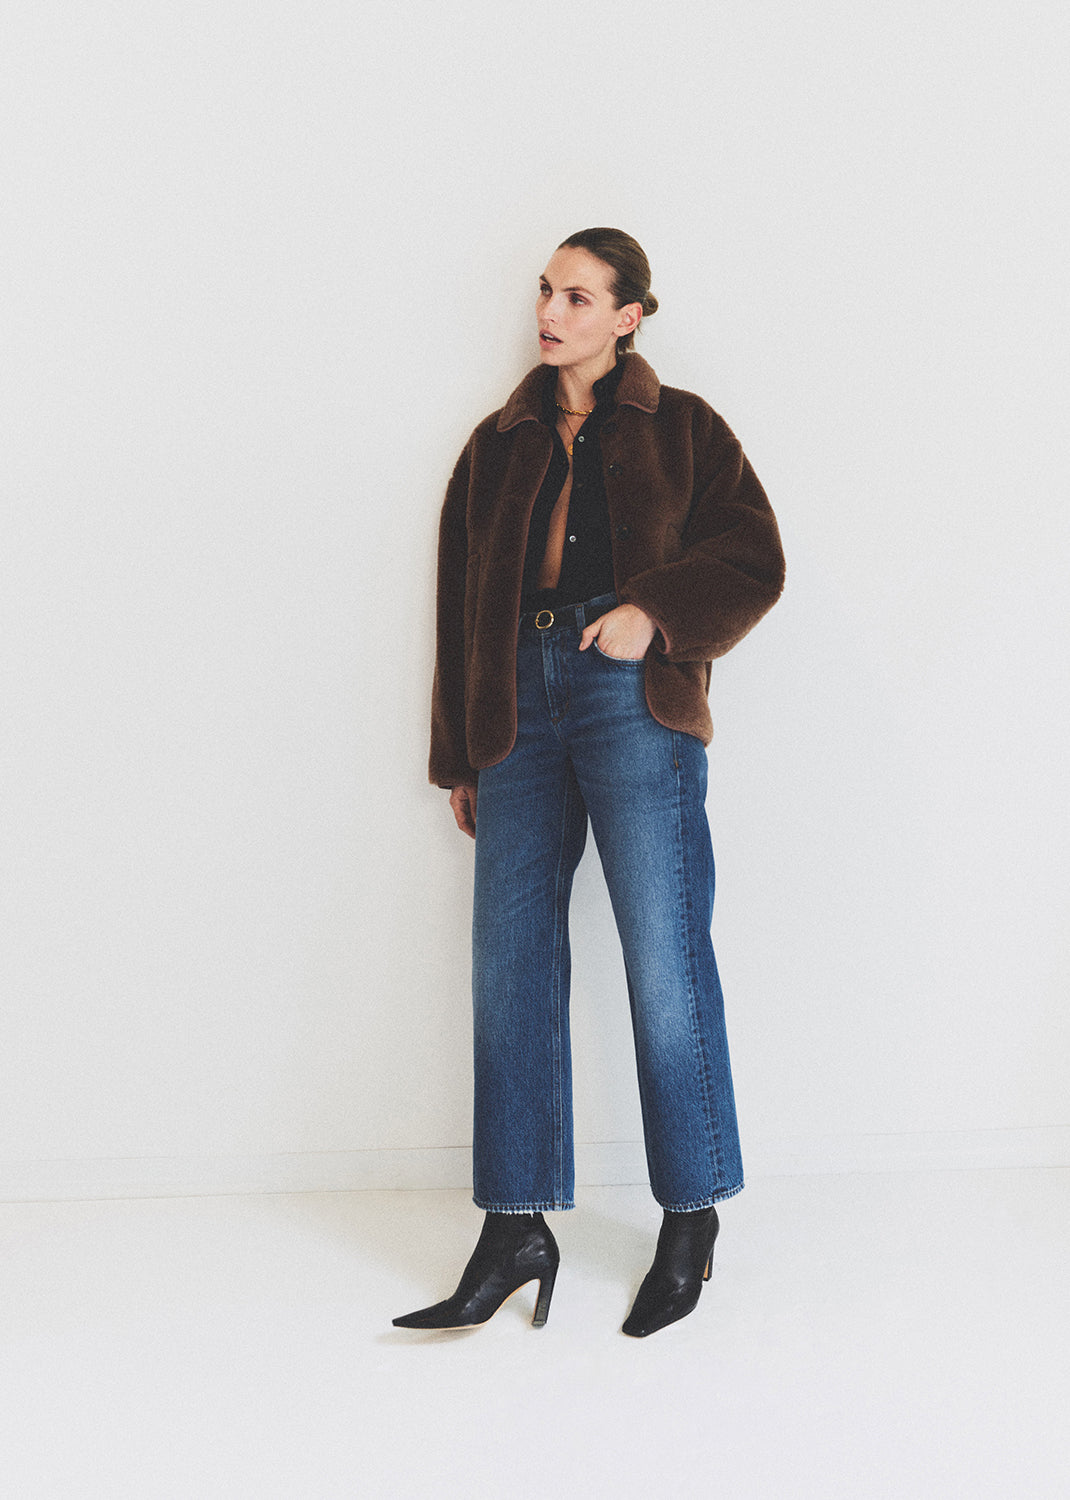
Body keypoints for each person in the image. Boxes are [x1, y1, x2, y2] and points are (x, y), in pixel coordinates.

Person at [393, 228, 784, 1338]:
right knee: (508, 964)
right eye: (544, 292)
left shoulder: (685, 428)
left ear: (628, 316)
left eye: (577, 295)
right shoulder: (497, 444)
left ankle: (691, 1216)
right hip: (513, 708)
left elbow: (752, 560)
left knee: (664, 955)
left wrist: (652, 609)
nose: (550, 312)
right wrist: (459, 754)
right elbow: (459, 603)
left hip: (631, 698)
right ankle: (514, 1226)